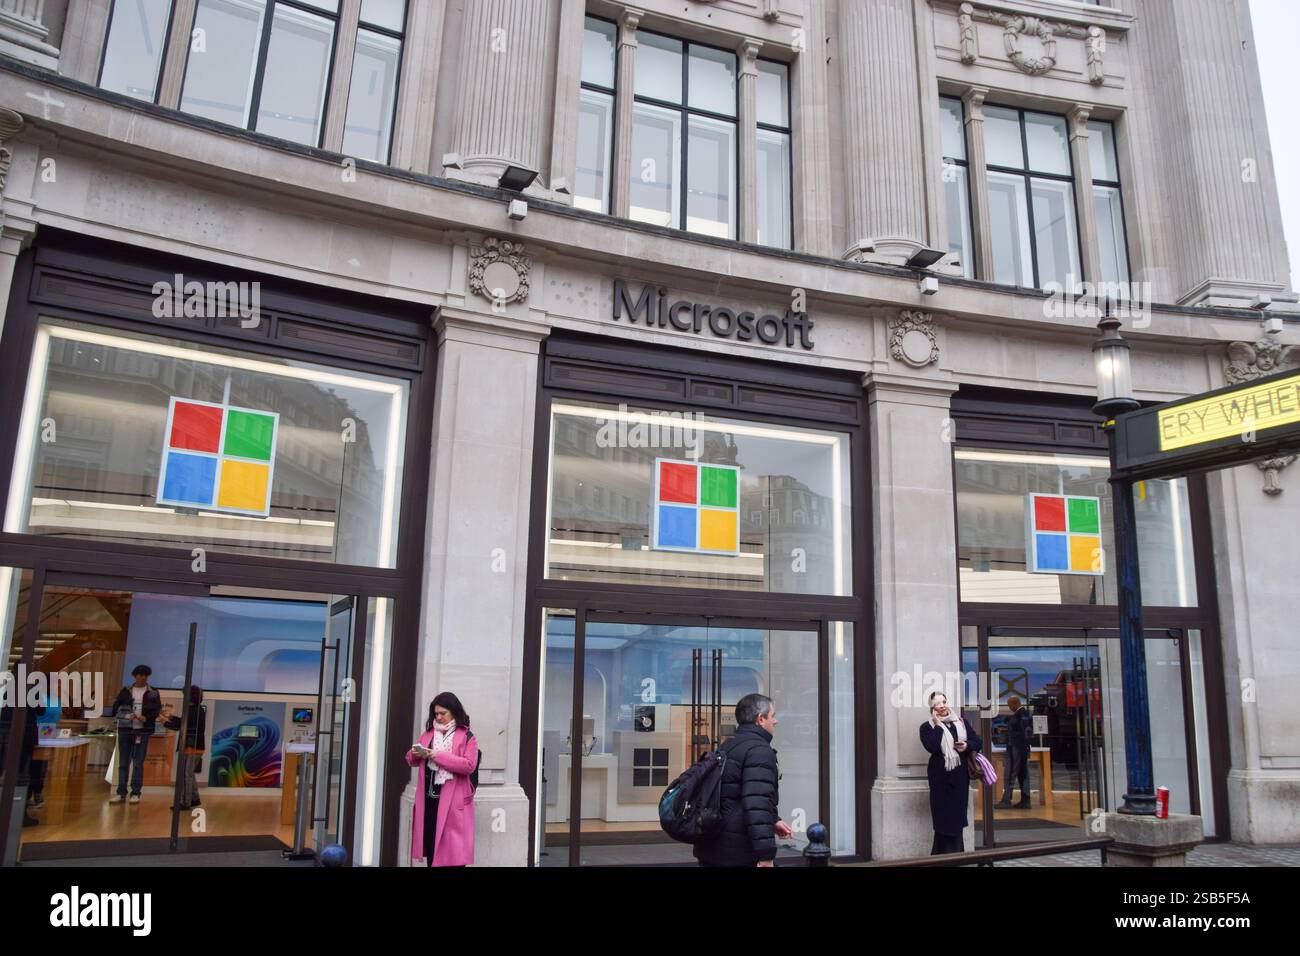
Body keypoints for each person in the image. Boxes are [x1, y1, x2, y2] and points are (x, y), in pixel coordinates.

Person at [693, 693, 794, 868]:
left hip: (713, 844)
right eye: (773, 716)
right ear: (760, 719)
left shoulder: (728, 745)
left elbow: (734, 795)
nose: (775, 721)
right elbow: (757, 804)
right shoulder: (760, 751)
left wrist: (773, 819)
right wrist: (766, 855)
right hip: (739, 852)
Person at [405, 692, 477, 867]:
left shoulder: (467, 736)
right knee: (432, 851)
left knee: (454, 856)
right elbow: (410, 760)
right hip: (429, 802)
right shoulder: (428, 734)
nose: (438, 717)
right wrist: (414, 753)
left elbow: (468, 765)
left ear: (453, 712)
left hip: (453, 804)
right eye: (436, 714)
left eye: (442, 713)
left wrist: (436, 755)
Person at [919, 691, 982, 855]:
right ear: (932, 707)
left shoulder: (960, 723)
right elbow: (932, 746)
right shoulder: (927, 727)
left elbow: (977, 741)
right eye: (938, 703)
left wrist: (966, 745)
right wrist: (938, 725)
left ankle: (954, 855)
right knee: (942, 818)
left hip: (959, 777)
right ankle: (943, 855)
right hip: (940, 778)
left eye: (944, 701)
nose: (942, 706)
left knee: (956, 817)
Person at [109, 665, 161, 804]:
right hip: (125, 730)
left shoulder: (153, 692)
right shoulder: (125, 691)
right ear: (135, 676)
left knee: (138, 763)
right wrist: (126, 715)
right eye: (140, 674)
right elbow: (115, 708)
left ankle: (136, 792)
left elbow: (157, 709)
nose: (143, 677)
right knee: (123, 763)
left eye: (146, 675)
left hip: (142, 731)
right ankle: (120, 792)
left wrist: (147, 718)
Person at [164, 685, 206, 810]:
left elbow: (182, 726)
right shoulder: (197, 710)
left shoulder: (192, 710)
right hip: (196, 746)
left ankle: (185, 802)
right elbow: (184, 723)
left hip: (191, 746)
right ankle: (193, 798)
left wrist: (166, 722)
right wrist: (170, 718)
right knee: (189, 774)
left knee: (186, 774)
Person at [995, 696, 1032, 809]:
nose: (1009, 708)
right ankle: (1025, 800)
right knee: (1023, 774)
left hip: (1016, 748)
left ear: (1014, 704)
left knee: (1011, 773)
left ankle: (1006, 799)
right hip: (1024, 748)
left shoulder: (1017, 717)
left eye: (1010, 705)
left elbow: (1015, 733)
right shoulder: (1025, 715)